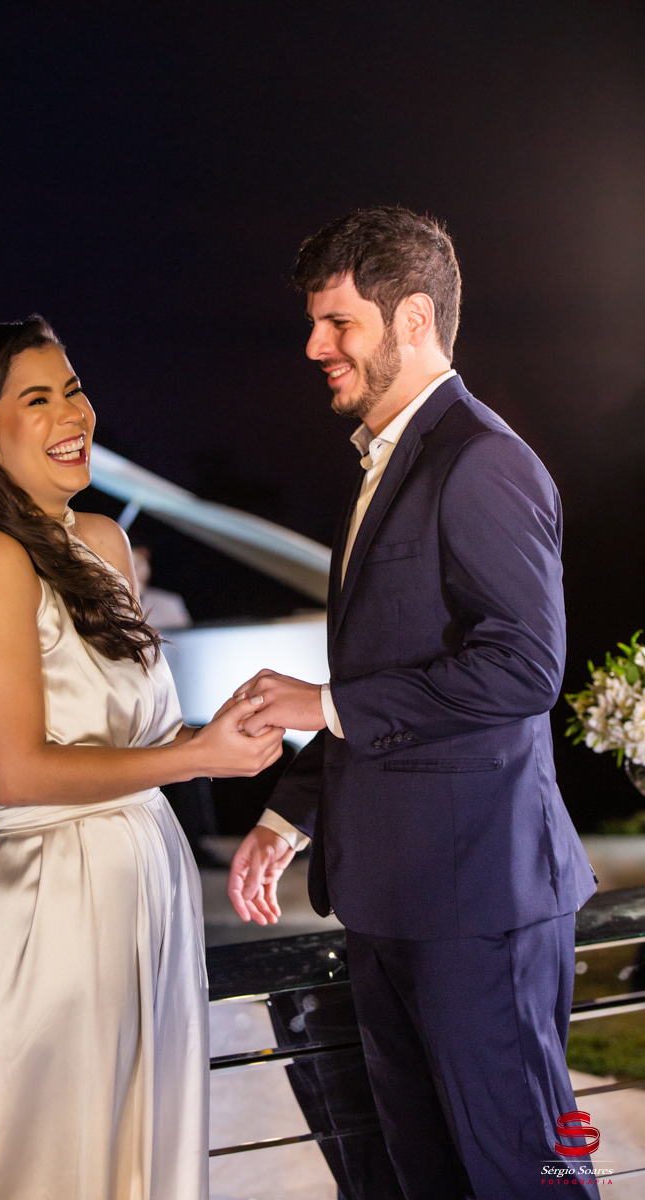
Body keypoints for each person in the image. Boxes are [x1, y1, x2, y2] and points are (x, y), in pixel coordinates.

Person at [226, 208, 600, 1199]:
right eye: (314, 323)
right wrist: (288, 815)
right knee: (419, 1179)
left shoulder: (483, 460)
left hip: (481, 910)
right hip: (389, 904)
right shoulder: (384, 463)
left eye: (337, 323)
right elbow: (387, 682)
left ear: (414, 318)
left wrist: (320, 701)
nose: (315, 346)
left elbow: (523, 668)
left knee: (529, 1178)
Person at [0, 317, 284, 1200]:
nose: (74, 413)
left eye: (73, 388)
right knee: (50, 1160)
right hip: (53, 902)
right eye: (38, 399)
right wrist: (193, 759)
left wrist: (224, 732)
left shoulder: (102, 542)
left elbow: (135, 739)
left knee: (137, 1152)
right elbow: (20, 771)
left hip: (147, 884)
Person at [131, 544, 192, 631]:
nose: (144, 572)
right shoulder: (111, 605)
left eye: (145, 563)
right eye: (135, 566)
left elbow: (185, 635)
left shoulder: (170, 602)